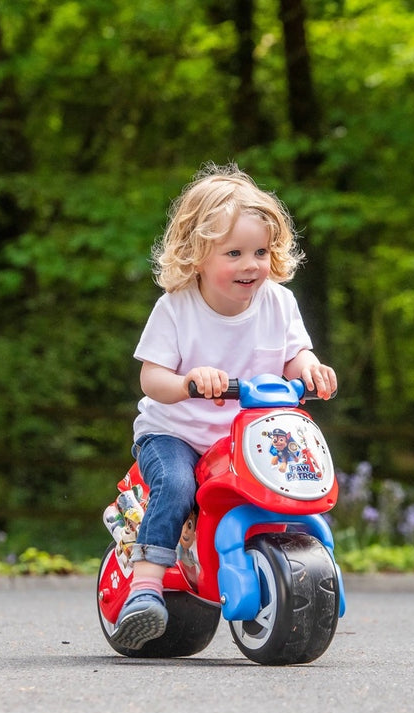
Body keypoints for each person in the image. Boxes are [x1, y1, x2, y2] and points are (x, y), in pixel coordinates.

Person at [111, 162, 337, 650]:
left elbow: (295, 353)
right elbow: (151, 379)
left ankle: (306, 557)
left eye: (260, 251)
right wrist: (189, 381)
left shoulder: (279, 302)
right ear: (196, 254)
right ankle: (146, 586)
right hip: (177, 433)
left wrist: (310, 368)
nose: (250, 265)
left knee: (294, 482)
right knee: (176, 483)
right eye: (233, 253)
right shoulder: (176, 307)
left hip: (247, 435)